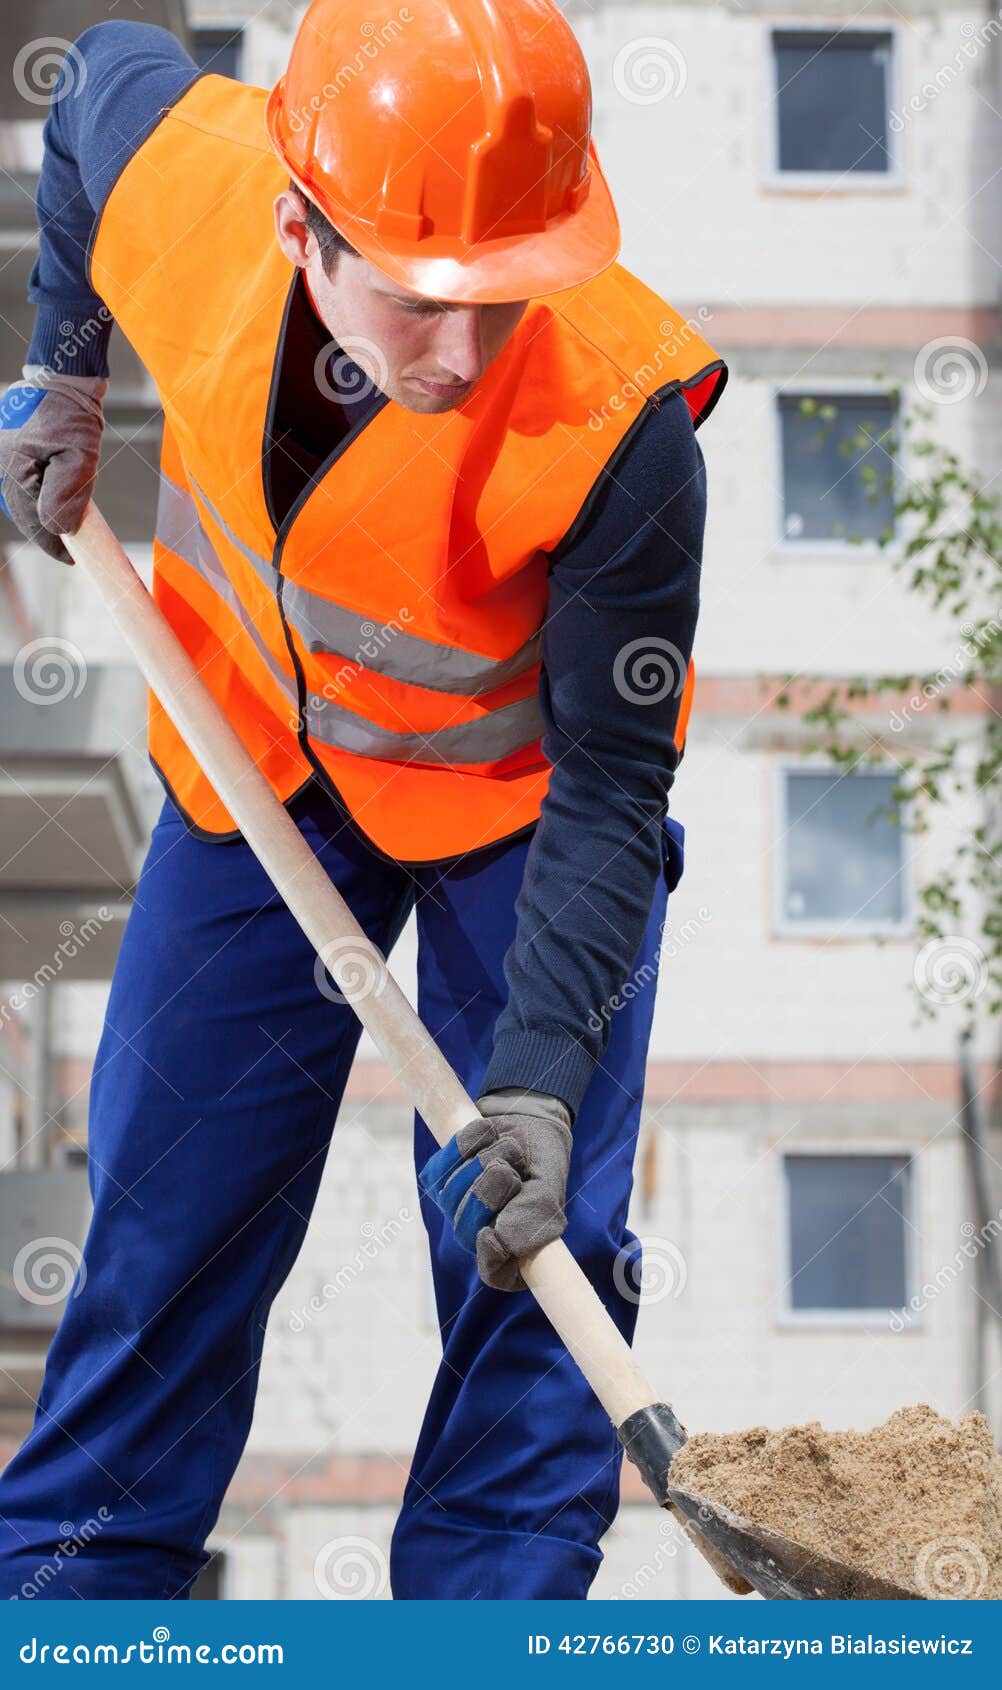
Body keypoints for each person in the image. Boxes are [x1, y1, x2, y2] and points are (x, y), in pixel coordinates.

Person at [0, 0, 726, 1600]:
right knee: (163, 1212)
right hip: (254, 761)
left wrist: (532, 1077)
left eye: (500, 298)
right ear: (296, 228)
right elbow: (87, 94)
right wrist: (63, 365)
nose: (460, 356)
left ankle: (482, 1625)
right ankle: (69, 1601)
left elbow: (613, 788)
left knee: (537, 1252)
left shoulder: (623, 429)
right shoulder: (183, 183)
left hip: (514, 829)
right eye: (414, 304)